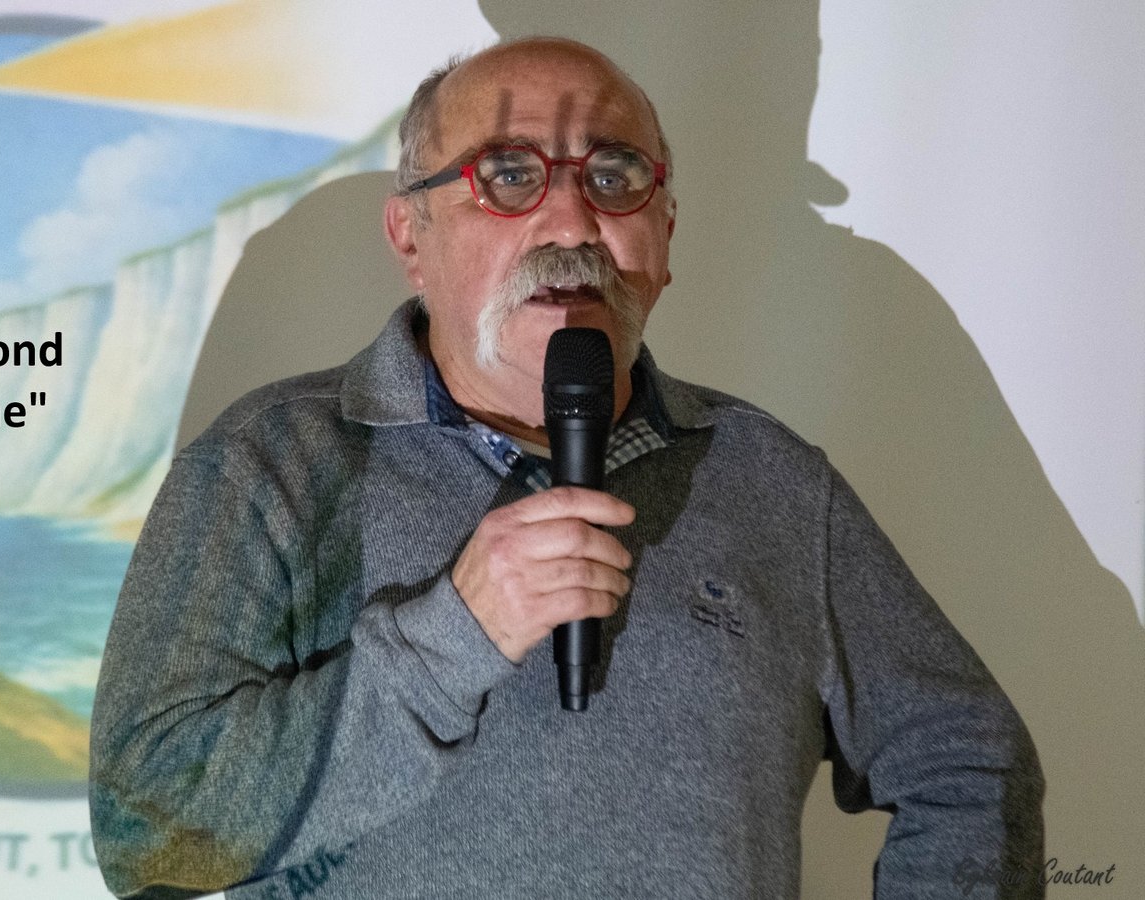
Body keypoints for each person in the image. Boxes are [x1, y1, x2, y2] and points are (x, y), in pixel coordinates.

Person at [89, 37, 1043, 899]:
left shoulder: (773, 479)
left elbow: (969, 761)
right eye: (509, 175)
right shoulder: (268, 465)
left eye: (614, 176)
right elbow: (146, 832)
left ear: (665, 236)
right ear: (411, 237)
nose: (573, 224)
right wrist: (453, 636)